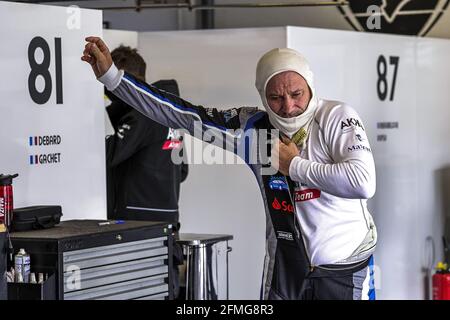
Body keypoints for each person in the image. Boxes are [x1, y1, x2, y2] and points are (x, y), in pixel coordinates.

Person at [82, 37, 377, 300]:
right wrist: (113, 79)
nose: (288, 107)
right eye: (275, 98)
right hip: (286, 271)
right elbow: (183, 114)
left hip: (345, 268)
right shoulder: (253, 129)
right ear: (263, 96)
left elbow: (362, 183)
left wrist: (293, 165)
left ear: (310, 86)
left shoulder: (336, 116)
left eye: (297, 94)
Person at [103, 45, 188, 299]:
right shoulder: (170, 110)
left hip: (136, 229)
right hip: (166, 226)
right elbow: (182, 171)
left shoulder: (141, 112)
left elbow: (110, 154)